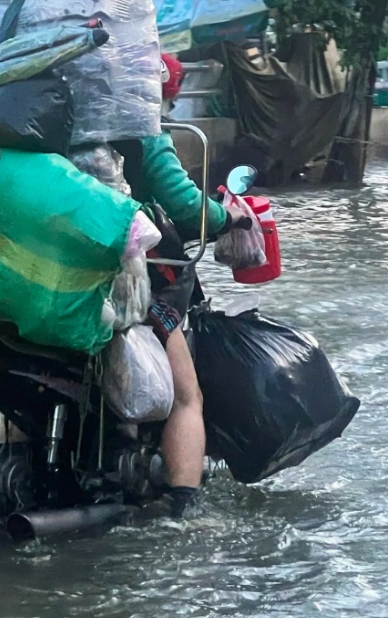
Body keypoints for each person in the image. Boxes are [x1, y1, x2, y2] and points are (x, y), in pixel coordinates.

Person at [112, 129, 246, 518]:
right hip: (119, 281)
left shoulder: (13, 131)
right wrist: (229, 215)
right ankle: (182, 506)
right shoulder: (140, 134)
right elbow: (187, 207)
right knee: (186, 398)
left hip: (23, 280)